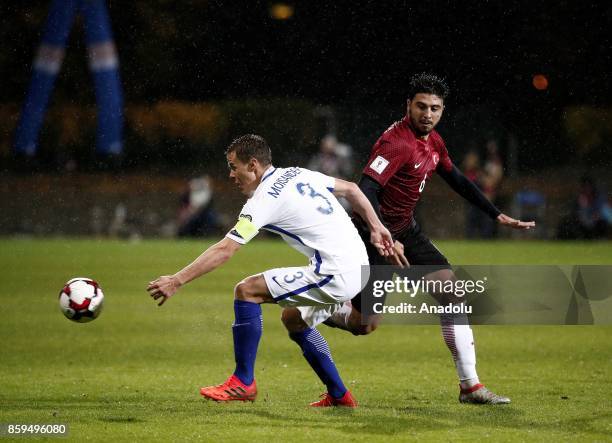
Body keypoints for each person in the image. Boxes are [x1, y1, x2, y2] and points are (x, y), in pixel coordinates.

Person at [311, 73, 535, 405]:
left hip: (406, 232)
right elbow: (366, 189)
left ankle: (470, 386)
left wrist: (495, 213)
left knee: (451, 292)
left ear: (442, 110)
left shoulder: (432, 141)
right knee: (364, 325)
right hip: (368, 235)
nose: (427, 114)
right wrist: (382, 234)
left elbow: (455, 177)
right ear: (408, 106)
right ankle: (316, 309)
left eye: (435, 108)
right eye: (421, 106)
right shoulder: (396, 143)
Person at [146, 134, 397, 407]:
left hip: (335, 273)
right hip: (357, 265)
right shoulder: (296, 172)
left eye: (234, 166)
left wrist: (177, 280)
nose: (231, 175)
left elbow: (225, 249)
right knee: (294, 319)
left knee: (247, 291)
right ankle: (339, 395)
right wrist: (376, 226)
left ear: (253, 165)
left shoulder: (264, 199)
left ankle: (243, 382)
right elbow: (351, 188)